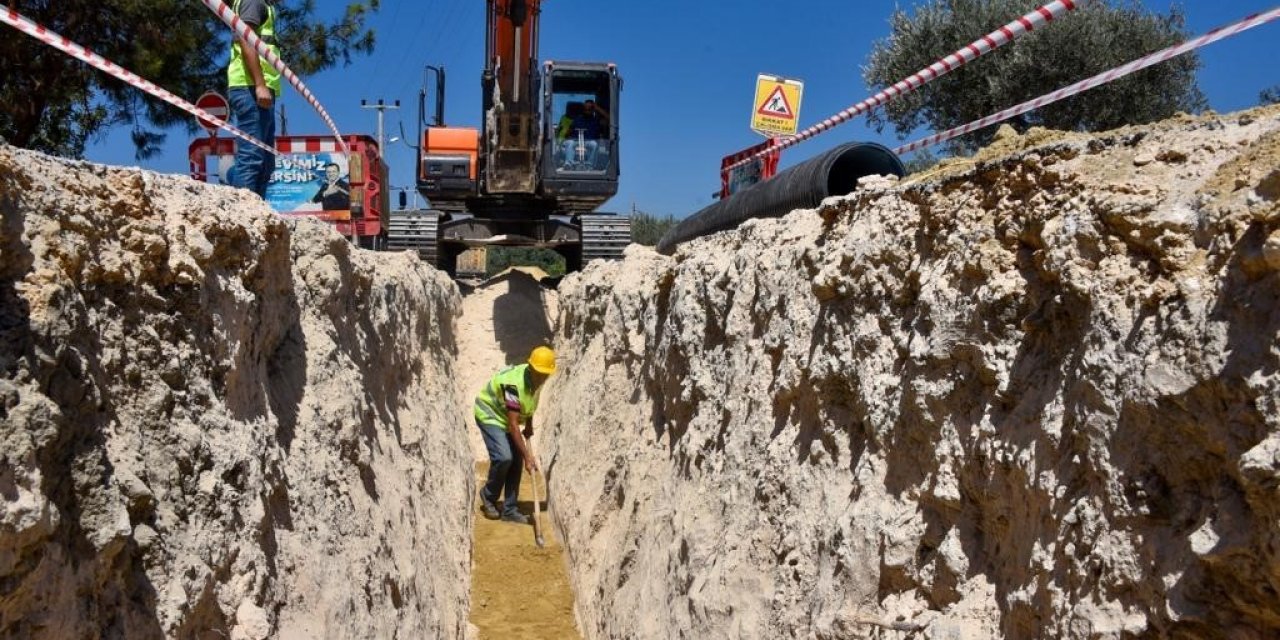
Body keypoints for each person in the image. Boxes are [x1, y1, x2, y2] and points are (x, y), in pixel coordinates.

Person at [474, 346, 556, 523]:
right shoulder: (513, 385)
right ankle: (488, 497)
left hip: (507, 417)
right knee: (504, 457)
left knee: (516, 460)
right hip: (490, 414)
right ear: (531, 367)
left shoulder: (537, 381)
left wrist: (529, 425)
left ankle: (509, 510)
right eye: (539, 373)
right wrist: (528, 457)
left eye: (545, 374)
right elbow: (512, 424)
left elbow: (530, 404)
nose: (542, 377)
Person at [227, 0, 281, 198]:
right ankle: (242, 216)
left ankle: (258, 216)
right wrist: (260, 84)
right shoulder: (253, 2)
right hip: (250, 88)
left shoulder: (260, 5)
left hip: (258, 89)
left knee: (265, 162)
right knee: (251, 158)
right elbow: (246, 38)